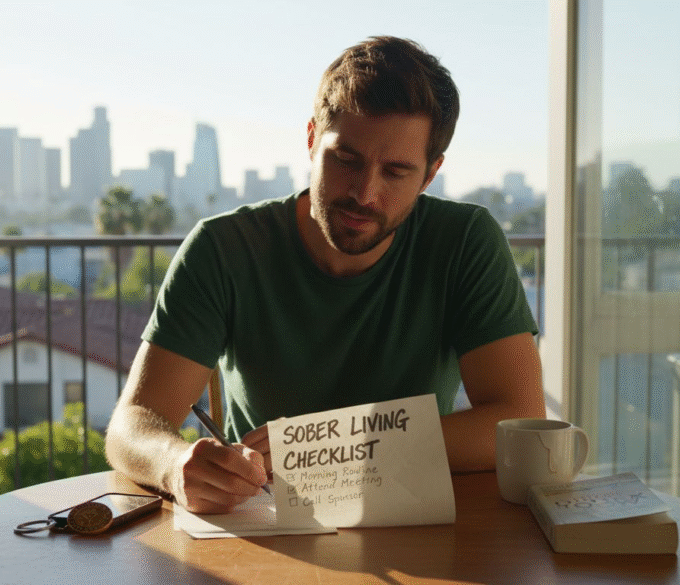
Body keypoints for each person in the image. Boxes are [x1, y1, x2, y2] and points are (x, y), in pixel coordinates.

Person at [105, 36, 544, 514]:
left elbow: (518, 421)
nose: (365, 193)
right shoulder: (223, 247)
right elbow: (132, 425)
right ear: (313, 138)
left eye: (396, 172)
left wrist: (324, 446)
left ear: (430, 174)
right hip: (264, 524)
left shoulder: (464, 240)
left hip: (418, 524)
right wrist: (175, 464)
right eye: (346, 160)